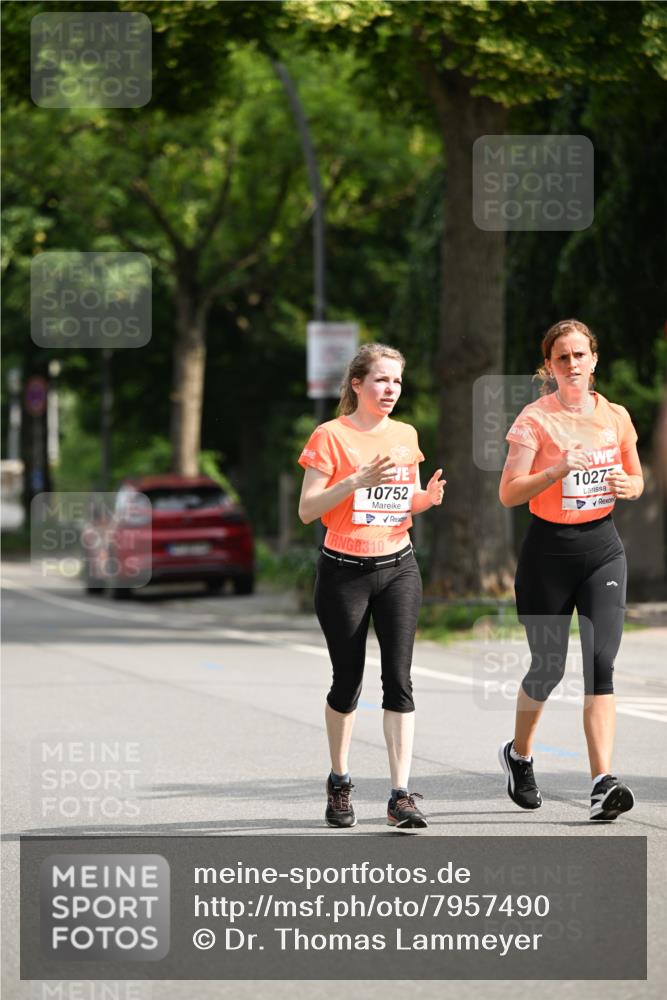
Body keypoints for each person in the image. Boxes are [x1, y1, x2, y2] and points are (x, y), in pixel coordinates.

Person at [498, 318, 644, 821]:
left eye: (580, 354)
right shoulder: (535, 420)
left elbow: (636, 475)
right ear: (549, 366)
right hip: (548, 554)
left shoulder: (616, 415)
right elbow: (510, 491)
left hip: (603, 548)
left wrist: (631, 487)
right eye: (563, 357)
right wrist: (555, 471)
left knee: (601, 666)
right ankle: (519, 755)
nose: (573, 364)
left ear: (594, 359)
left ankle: (603, 782)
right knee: (548, 667)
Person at [298, 343, 445, 831]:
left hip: (399, 565)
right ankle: (339, 781)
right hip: (344, 571)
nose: (391, 389)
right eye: (382, 380)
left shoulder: (405, 435)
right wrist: (356, 479)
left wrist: (426, 498)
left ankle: (400, 795)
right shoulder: (330, 436)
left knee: (399, 679)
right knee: (348, 681)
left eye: (398, 382)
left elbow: (404, 502)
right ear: (357, 384)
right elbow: (308, 509)